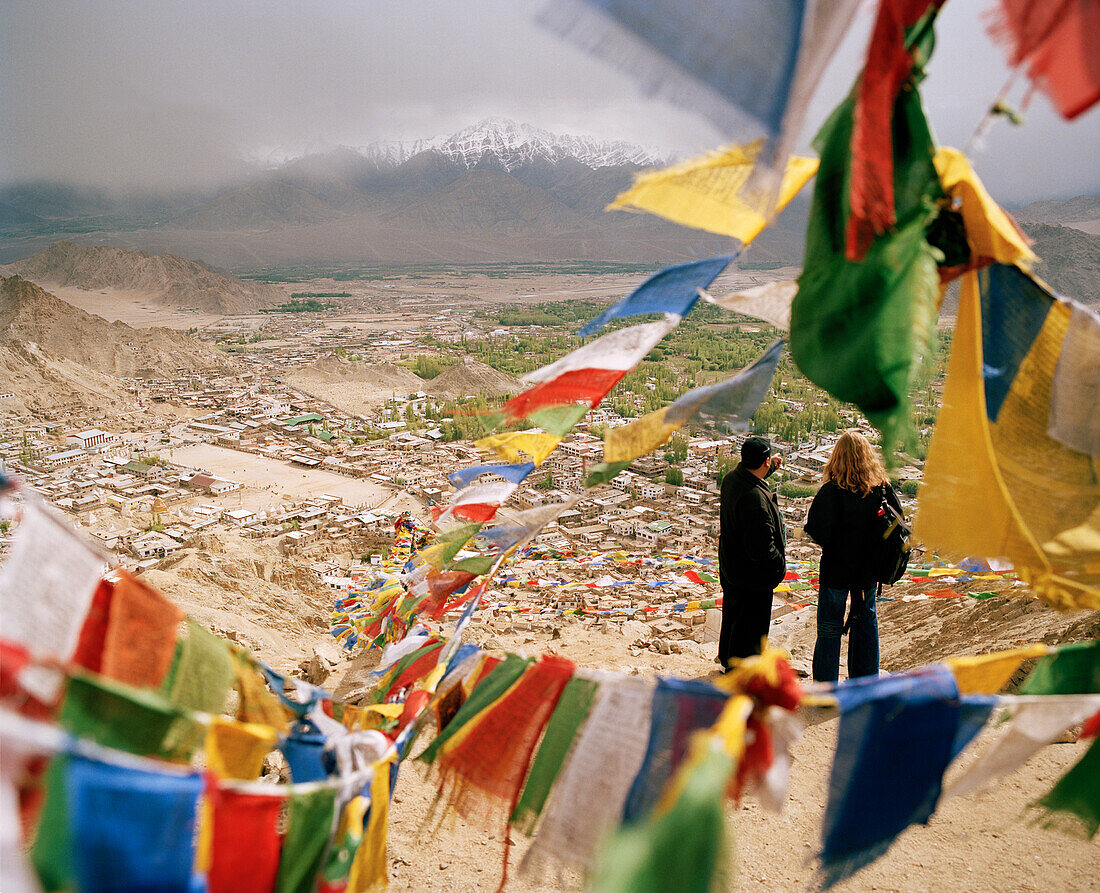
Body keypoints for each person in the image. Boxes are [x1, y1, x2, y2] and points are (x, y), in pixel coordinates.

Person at [804, 430, 902, 683]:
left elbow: (816, 529)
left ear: (837, 458)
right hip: (867, 573)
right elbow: (898, 524)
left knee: (829, 627)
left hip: (836, 571)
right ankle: (864, 686)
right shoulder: (881, 490)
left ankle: (826, 689)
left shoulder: (832, 492)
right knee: (865, 624)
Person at [717, 435, 786, 670]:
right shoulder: (755, 500)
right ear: (765, 461)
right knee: (751, 630)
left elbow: (752, 478)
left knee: (733, 619)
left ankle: (728, 662)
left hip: (732, 568)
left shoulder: (731, 479)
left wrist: (771, 466)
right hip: (753, 577)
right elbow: (762, 550)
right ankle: (742, 677)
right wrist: (780, 565)